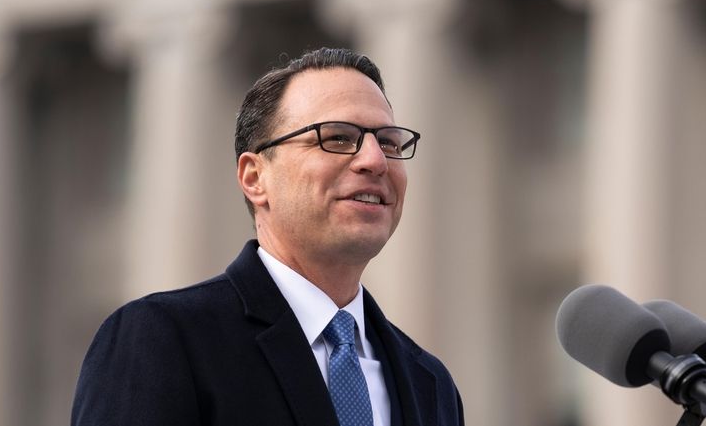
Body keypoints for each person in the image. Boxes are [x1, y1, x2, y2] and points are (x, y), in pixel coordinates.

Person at [71, 47, 464, 426]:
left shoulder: (429, 382)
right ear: (255, 178)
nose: (375, 160)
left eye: (390, 143)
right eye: (338, 138)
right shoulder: (162, 341)